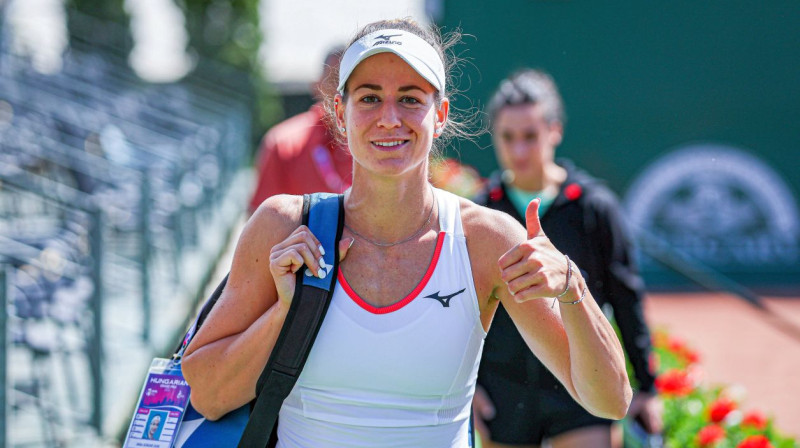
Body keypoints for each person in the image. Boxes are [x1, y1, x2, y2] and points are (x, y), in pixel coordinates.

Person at [182, 19, 632, 447]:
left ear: (440, 115)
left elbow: (610, 400)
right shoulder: (284, 226)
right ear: (340, 113)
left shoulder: (486, 240)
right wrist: (284, 312)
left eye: (412, 99)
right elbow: (206, 395)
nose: (390, 118)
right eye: (370, 98)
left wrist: (573, 286)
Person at [472, 69, 662, 448]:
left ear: (554, 131)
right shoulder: (481, 213)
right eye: (508, 137)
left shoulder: (594, 207)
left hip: (581, 392)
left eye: (531, 136)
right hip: (505, 396)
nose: (519, 150)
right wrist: (470, 387)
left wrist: (647, 387)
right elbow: (462, 310)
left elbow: (627, 300)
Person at [247, 46, 352, 214]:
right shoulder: (283, 143)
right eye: (335, 81)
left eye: (351, 83)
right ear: (317, 86)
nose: (342, 92)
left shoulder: (381, 142)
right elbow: (259, 220)